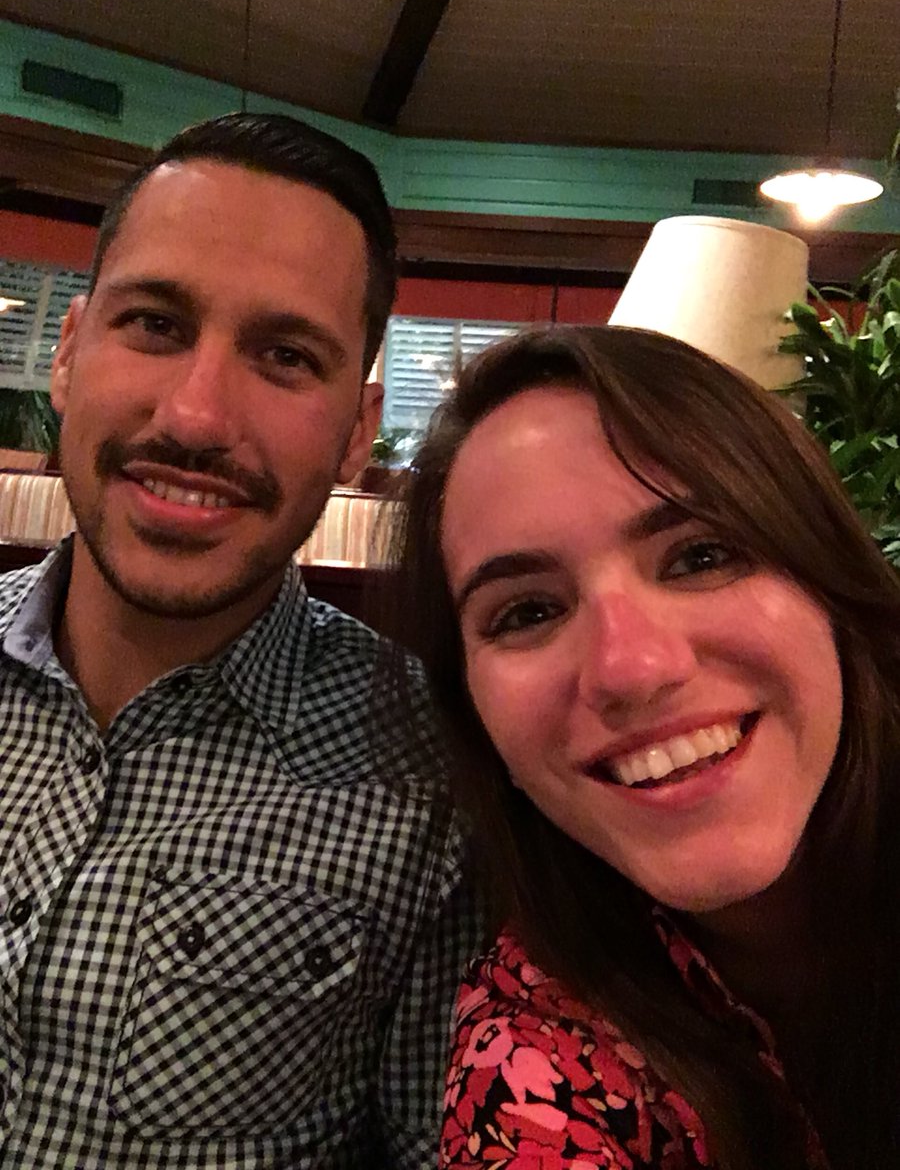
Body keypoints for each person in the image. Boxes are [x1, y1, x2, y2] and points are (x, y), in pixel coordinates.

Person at [0, 112, 478, 1168]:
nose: (196, 417)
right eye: (154, 324)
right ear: (68, 353)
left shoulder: (436, 775)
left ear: (356, 432)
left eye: (285, 356)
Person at [387, 324, 900, 1170]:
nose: (631, 668)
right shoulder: (532, 1050)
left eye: (701, 555)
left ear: (826, 575)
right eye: (528, 611)